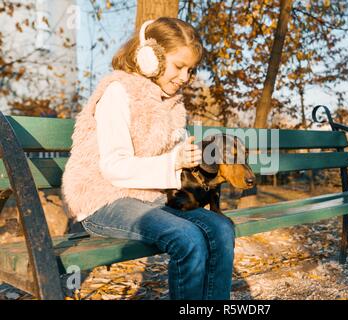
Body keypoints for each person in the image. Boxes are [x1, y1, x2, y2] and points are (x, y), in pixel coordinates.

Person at [61, 17, 235, 300]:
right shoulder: (118, 94)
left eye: (190, 70)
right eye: (179, 66)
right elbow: (114, 168)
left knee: (221, 228)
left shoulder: (172, 104)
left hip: (148, 197)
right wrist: (173, 162)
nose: (185, 77)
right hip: (103, 200)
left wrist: (188, 159)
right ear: (149, 57)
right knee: (188, 238)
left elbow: (173, 160)